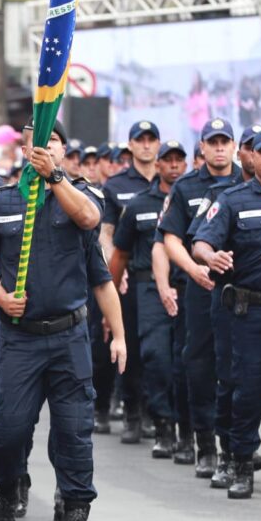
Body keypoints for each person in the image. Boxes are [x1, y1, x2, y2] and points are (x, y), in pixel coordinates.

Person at [0, 119, 126, 521]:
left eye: (51, 142)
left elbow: (96, 245)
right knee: (7, 432)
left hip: (70, 337)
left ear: (63, 149)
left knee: (75, 433)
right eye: (34, 143)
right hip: (20, 339)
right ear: (21, 149)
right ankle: (6, 494)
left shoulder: (81, 197)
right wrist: (1, 296)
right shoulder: (1, 202)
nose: (42, 148)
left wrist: (119, 336)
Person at [192, 128, 261, 499]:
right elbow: (202, 241)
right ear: (252, 157)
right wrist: (210, 256)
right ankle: (241, 464)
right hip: (249, 311)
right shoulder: (233, 199)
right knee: (247, 390)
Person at [159, 119, 243, 478]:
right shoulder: (185, 187)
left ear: (234, 146)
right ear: (203, 148)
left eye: (226, 141)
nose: (220, 148)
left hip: (240, 286)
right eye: (214, 142)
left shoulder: (246, 180)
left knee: (242, 367)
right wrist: (192, 270)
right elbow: (170, 239)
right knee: (199, 363)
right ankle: (206, 444)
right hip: (199, 285)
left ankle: (237, 444)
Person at [110, 139, 189, 460]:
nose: (172, 165)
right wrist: (109, 305)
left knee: (186, 360)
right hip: (146, 290)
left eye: (178, 160)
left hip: (186, 287)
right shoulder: (139, 204)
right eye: (166, 160)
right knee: (155, 356)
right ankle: (162, 424)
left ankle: (187, 428)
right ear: (158, 165)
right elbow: (119, 255)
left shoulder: (194, 199)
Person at [101, 121, 160, 442]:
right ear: (131, 145)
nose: (147, 145)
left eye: (152, 140)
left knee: (157, 351)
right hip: (129, 277)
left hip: (164, 282)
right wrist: (115, 275)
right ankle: (133, 414)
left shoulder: (170, 182)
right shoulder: (116, 185)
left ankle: (154, 413)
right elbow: (106, 234)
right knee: (130, 349)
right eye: (141, 140)